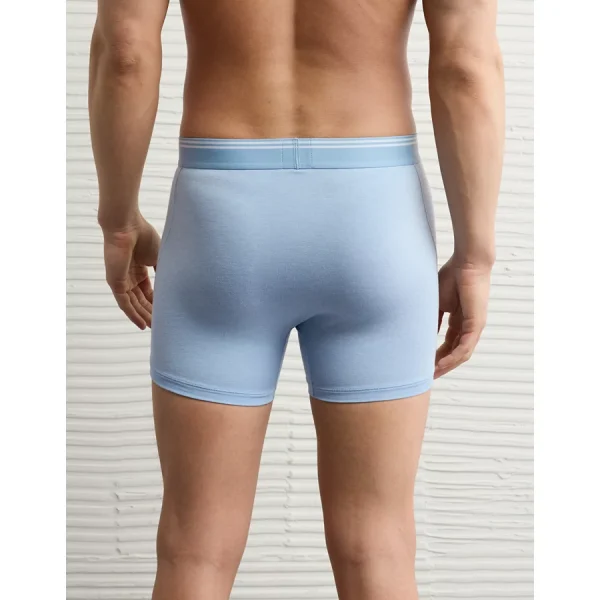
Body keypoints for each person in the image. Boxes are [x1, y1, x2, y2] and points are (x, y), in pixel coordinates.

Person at [88, 0, 504, 598]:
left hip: (222, 217)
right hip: (374, 215)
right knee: (379, 545)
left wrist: (118, 221)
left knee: (194, 548)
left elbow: (125, 52)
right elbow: (466, 64)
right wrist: (475, 255)